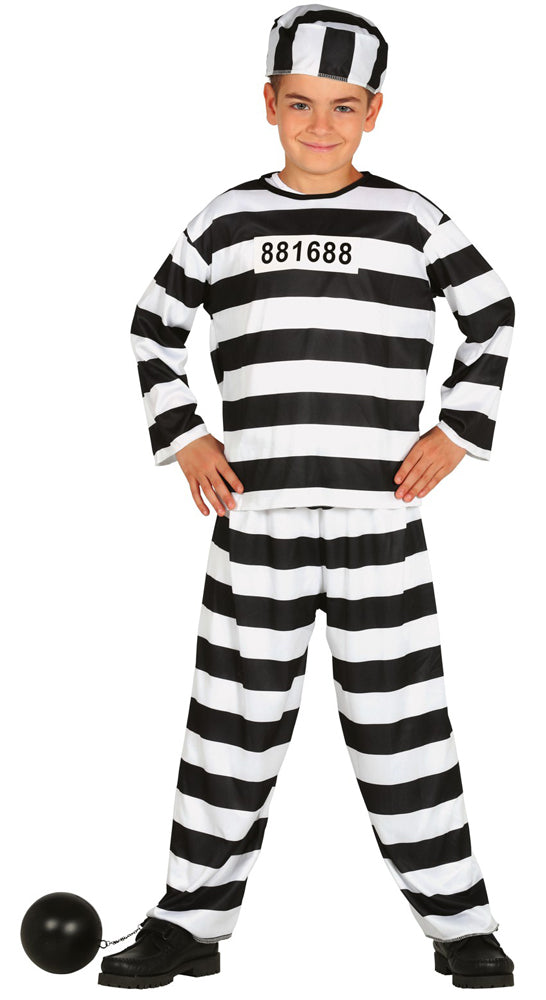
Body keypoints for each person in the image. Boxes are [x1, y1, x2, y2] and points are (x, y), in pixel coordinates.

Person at [98, 5, 515, 990]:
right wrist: (187, 433)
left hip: (380, 519)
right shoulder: (227, 220)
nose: (320, 126)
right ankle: (191, 919)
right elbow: (153, 324)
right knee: (228, 726)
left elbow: (494, 314)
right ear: (269, 104)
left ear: (374, 112)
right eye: (300, 104)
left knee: (405, 729)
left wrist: (456, 429)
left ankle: (461, 924)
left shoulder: (413, 219)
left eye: (342, 106)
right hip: (256, 519)